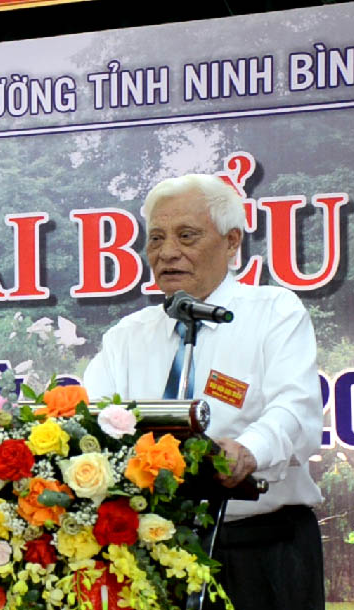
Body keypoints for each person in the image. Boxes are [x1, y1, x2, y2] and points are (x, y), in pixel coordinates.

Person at [83, 174, 325, 610]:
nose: (167, 252)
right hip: (152, 554)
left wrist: (247, 452)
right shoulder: (127, 337)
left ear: (232, 243)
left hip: (261, 550)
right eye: (155, 238)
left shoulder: (273, 312)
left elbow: (296, 409)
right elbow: (90, 424)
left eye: (186, 236)